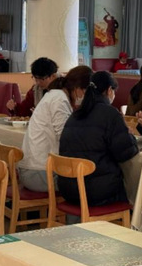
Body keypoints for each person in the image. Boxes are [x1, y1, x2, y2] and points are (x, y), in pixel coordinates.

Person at [58, 71, 138, 207]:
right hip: (94, 191)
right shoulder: (110, 114)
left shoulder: (75, 114)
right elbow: (126, 152)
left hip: (67, 188)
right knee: (131, 187)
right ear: (109, 90)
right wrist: (129, 135)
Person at [19, 65, 92, 193]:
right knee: (90, 184)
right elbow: (65, 138)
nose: (84, 96)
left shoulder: (54, 95)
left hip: (33, 171)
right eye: (86, 92)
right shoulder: (59, 100)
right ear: (78, 89)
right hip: (39, 174)